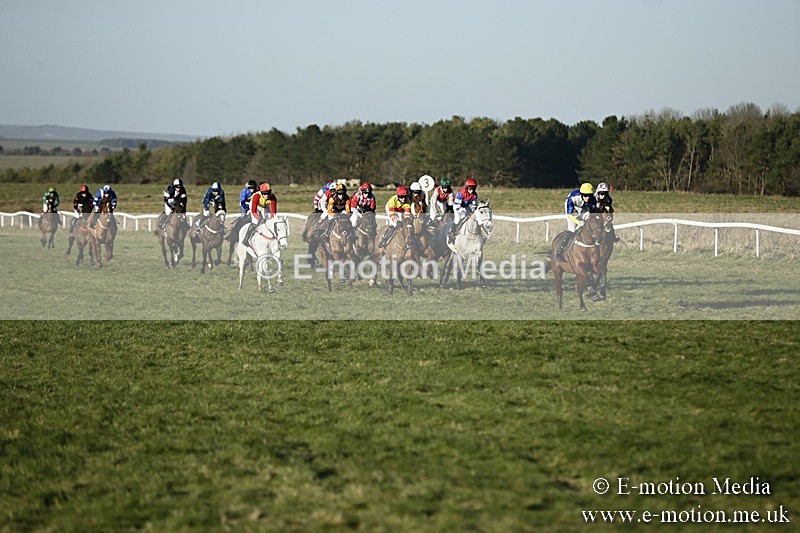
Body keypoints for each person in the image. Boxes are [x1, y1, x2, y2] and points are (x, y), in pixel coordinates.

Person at [556, 182, 598, 261]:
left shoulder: (593, 199)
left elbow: (593, 213)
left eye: (589, 195)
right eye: (585, 195)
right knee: (572, 229)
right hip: (573, 207)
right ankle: (559, 252)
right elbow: (569, 215)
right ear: (582, 194)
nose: (587, 198)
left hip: (583, 207)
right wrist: (578, 222)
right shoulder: (573, 198)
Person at [447, 178, 479, 244]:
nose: (471, 191)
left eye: (473, 188)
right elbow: (458, 206)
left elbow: (474, 206)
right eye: (470, 189)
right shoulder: (460, 193)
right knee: (458, 219)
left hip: (465, 206)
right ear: (467, 188)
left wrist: (472, 212)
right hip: (457, 206)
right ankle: (451, 233)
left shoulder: (474, 195)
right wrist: (465, 213)